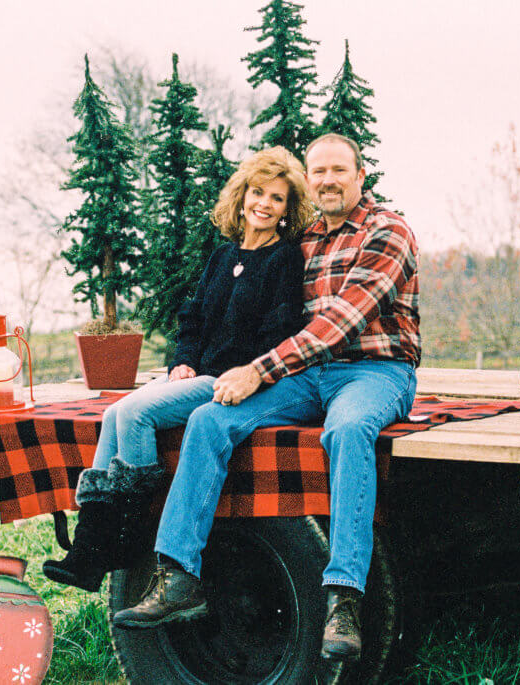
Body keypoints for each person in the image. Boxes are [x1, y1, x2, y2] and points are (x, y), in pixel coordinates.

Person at [112, 133, 421, 663]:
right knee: (210, 418)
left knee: (346, 430)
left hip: (375, 370)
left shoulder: (387, 231)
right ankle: (178, 573)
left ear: (359, 176)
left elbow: (341, 323)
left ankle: (344, 598)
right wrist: (200, 356)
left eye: (338, 170)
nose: (327, 179)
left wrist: (257, 370)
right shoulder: (305, 239)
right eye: (318, 171)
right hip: (308, 375)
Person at [42, 146, 314, 592]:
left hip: (235, 382)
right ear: (242, 196)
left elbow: (279, 329)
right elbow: (193, 319)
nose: (264, 204)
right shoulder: (222, 257)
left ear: (287, 210)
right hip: (198, 374)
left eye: (277, 198)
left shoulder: (284, 259)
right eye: (258, 192)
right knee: (114, 414)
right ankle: (89, 552)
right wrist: (182, 361)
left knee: (134, 413)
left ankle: (125, 539)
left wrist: (243, 372)